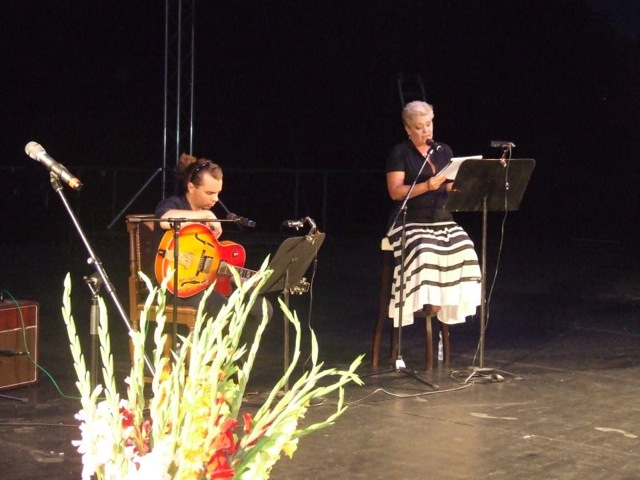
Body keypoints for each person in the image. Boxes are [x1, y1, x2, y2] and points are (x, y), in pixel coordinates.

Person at [385, 101, 481, 329]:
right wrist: (426, 186)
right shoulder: (400, 152)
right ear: (408, 129)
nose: (425, 131)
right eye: (419, 127)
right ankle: (425, 302)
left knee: (466, 249)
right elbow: (395, 192)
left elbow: (449, 187)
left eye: (428, 124)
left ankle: (446, 303)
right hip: (410, 219)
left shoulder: (443, 151)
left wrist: (466, 184)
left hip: (442, 219)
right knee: (426, 250)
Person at [155, 153, 272, 322]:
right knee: (225, 309)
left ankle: (237, 341)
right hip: (176, 287)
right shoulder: (174, 204)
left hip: (204, 284)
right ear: (191, 187)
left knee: (262, 308)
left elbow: (211, 266)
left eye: (218, 193)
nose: (216, 199)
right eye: (209, 193)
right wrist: (207, 215)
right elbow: (164, 220)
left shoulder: (207, 216)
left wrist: (242, 278)